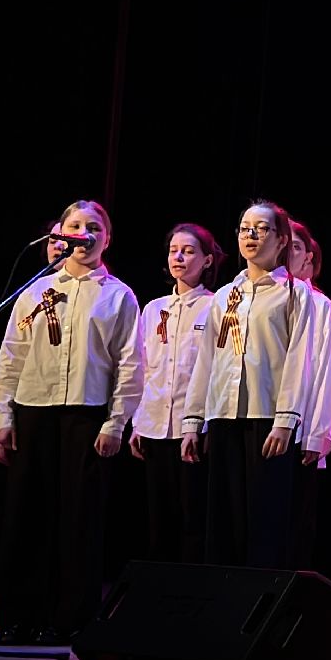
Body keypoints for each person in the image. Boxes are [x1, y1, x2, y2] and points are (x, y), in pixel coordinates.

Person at [0, 200, 141, 646]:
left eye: (94, 226)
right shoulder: (35, 292)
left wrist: (116, 423)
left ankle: (70, 616)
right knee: (27, 513)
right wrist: (1, 416)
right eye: (75, 225)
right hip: (34, 409)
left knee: (78, 518)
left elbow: (130, 363)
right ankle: (19, 615)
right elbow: (11, 357)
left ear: (106, 238)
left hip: (86, 414)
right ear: (61, 233)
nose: (84, 233)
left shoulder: (118, 295)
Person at [182, 199, 315, 569]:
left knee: (264, 522)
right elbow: (207, 359)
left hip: (266, 416)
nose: (251, 235)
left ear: (282, 239)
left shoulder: (294, 292)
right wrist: (193, 420)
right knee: (223, 522)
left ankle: (261, 599)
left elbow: (298, 358)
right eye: (244, 228)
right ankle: (224, 597)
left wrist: (286, 420)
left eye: (261, 228)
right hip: (224, 415)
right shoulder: (226, 295)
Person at [129, 224, 220, 566]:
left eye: (189, 251)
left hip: (193, 427)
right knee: (159, 518)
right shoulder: (154, 308)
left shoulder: (215, 306)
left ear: (207, 260)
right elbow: (144, 367)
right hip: (155, 425)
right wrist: (138, 422)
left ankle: (191, 588)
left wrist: (200, 425)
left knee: (193, 517)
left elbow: (213, 371)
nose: (179, 257)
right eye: (173, 250)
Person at [285, 221, 331, 571]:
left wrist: (319, 434)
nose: (286, 254)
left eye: (295, 247)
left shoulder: (324, 308)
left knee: (294, 523)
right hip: (257, 424)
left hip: (301, 432)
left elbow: (328, 375)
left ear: (309, 257)